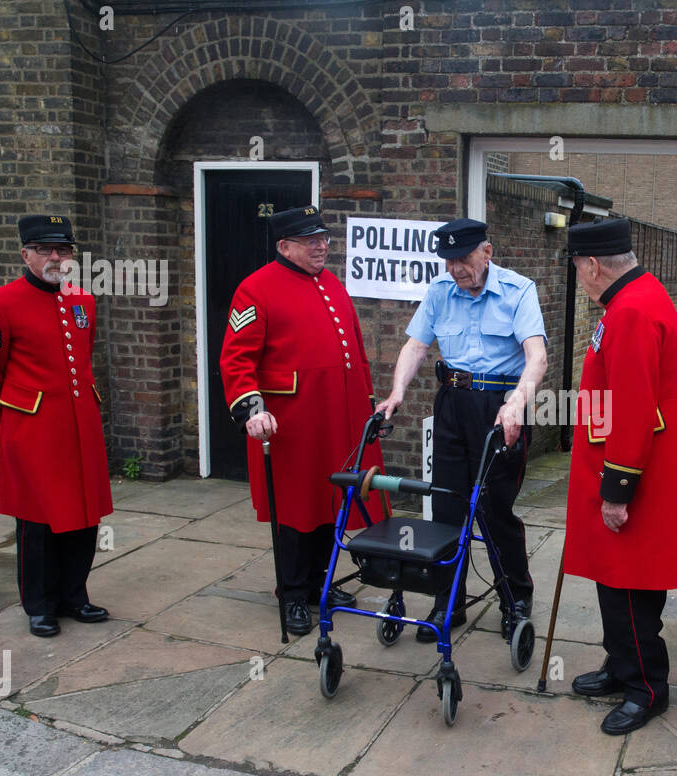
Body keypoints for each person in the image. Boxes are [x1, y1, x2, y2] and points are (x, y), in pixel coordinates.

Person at [563, 218, 677, 735]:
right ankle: (622, 665)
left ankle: (646, 687)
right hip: (633, 462)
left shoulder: (630, 311)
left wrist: (616, 488)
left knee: (630, 583)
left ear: (593, 264)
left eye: (578, 269)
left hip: (637, 472)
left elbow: (631, 408)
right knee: (615, 578)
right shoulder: (632, 298)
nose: (578, 277)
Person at [377, 218, 547, 641]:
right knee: (447, 507)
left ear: (486, 252)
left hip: (499, 407)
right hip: (452, 403)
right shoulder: (439, 293)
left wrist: (516, 405)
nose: (455, 269)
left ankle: (515, 598)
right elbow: (415, 345)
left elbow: (537, 357)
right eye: (449, 260)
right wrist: (396, 393)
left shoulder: (518, 290)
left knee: (493, 510)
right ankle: (446, 601)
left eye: (463, 259)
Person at [220, 205, 384, 636]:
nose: (321, 246)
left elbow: (357, 354)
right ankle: (292, 594)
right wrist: (252, 411)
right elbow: (236, 359)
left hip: (337, 418)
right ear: (284, 246)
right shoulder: (255, 290)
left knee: (330, 504)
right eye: (311, 241)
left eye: (324, 238)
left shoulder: (330, 282)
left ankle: (319, 585)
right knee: (294, 512)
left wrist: (367, 408)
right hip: (290, 424)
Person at [0, 215, 112, 638]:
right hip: (32, 429)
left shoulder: (83, 300)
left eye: (63, 250)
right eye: (45, 250)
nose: (55, 258)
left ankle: (74, 596)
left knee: (83, 514)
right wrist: (2, 418)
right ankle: (40, 605)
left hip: (80, 426)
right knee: (38, 520)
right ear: (25, 253)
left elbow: (81, 362)